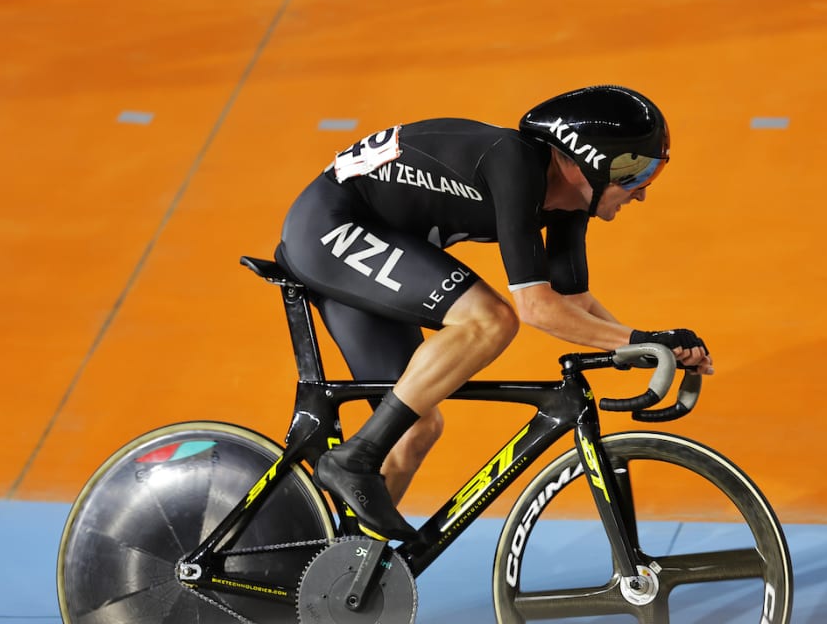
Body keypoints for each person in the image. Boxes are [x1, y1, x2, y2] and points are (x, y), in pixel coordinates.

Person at [275, 85, 714, 541]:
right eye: (633, 171)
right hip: (330, 227)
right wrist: (640, 341)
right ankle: (355, 458)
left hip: (374, 241)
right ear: (586, 160)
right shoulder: (514, 165)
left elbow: (572, 305)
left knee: (416, 426)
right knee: (490, 319)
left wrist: (647, 345)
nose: (640, 192)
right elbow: (535, 308)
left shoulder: (566, 203)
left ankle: (335, 570)